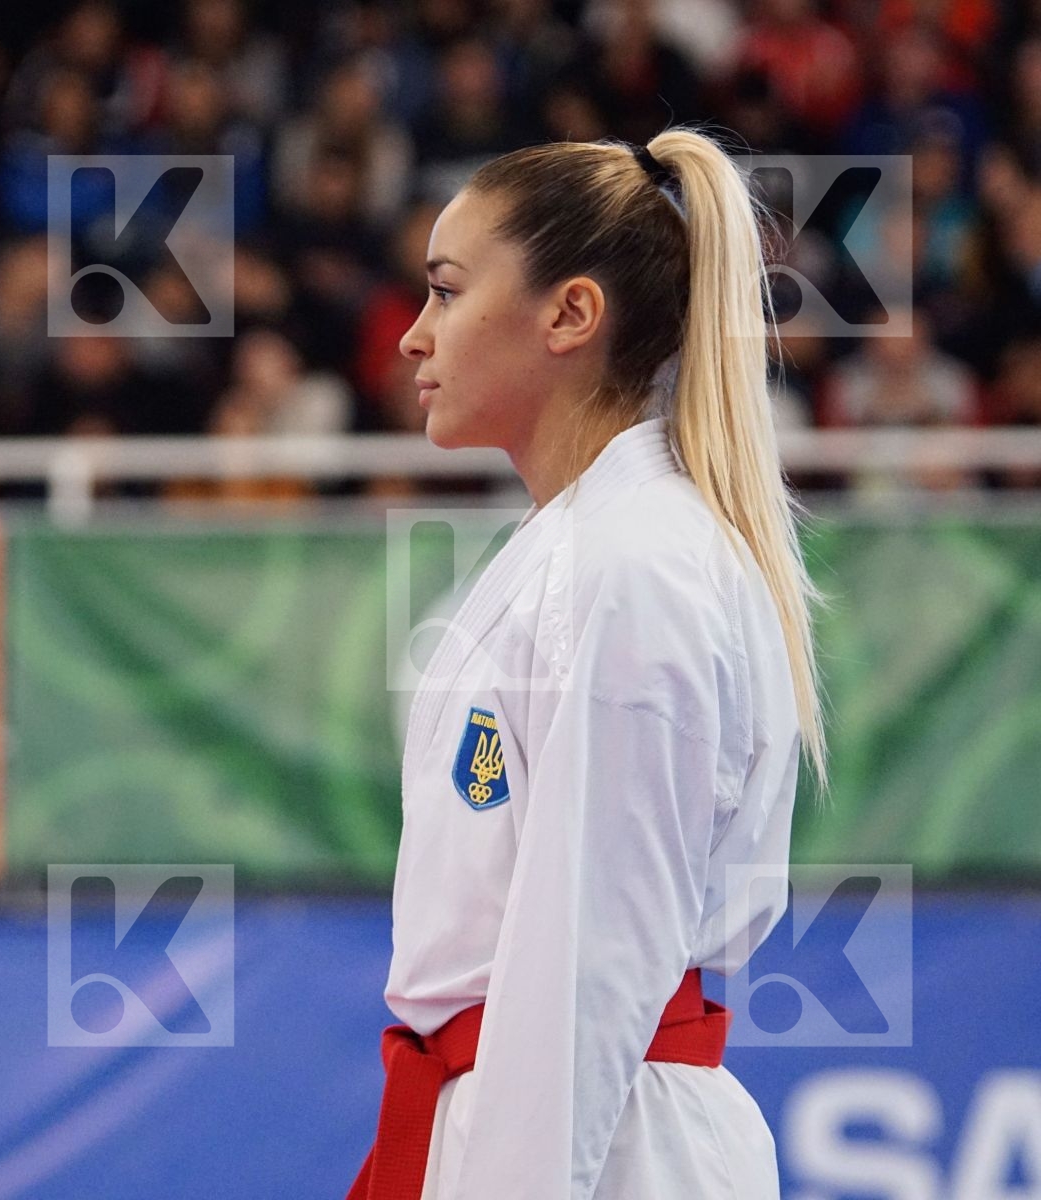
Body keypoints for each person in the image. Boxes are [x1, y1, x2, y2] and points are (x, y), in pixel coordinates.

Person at [349, 128, 827, 1199]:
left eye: (446, 292)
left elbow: (590, 954)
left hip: (601, 1139)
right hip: (546, 1126)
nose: (414, 339)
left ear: (570, 314)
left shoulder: (637, 565)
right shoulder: (583, 547)